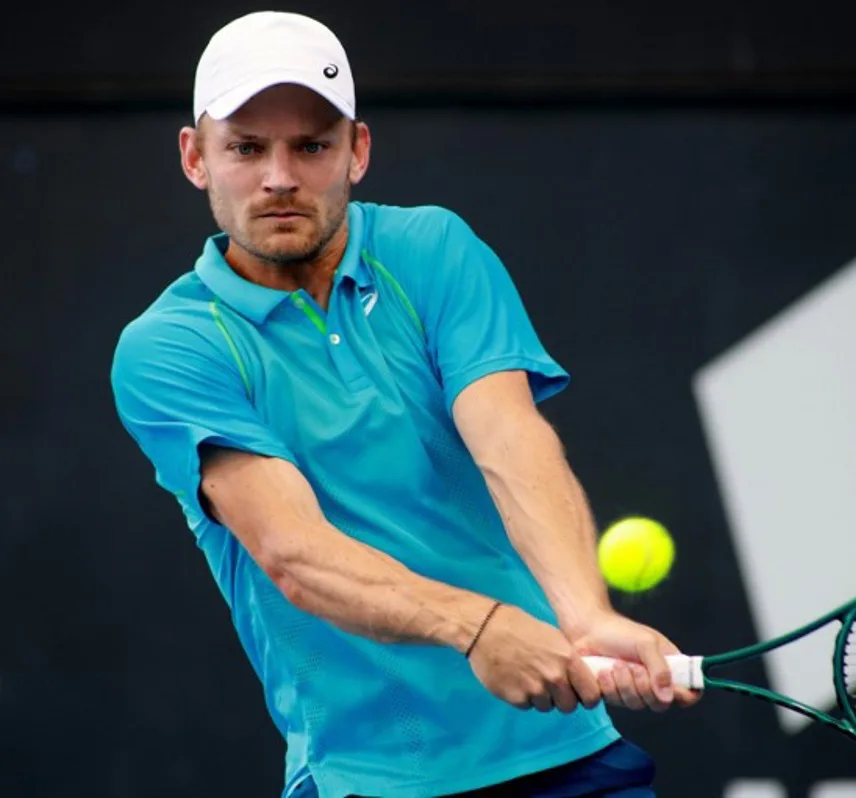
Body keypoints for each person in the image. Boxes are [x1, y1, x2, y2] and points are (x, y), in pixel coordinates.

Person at [109, 11, 698, 798]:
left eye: (311, 145)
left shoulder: (433, 250)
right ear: (195, 157)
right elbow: (295, 553)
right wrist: (479, 629)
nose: (279, 176)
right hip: (368, 778)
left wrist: (584, 616)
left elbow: (509, 440)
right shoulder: (170, 346)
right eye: (247, 147)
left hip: (567, 758)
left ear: (357, 149)